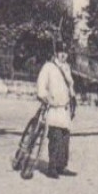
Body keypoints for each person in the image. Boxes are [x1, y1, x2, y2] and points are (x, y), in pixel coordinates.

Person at [35, 41, 77, 178]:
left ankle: (61, 166)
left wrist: (73, 95)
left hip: (65, 108)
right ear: (56, 53)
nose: (63, 55)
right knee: (55, 136)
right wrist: (43, 96)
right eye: (61, 53)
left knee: (65, 138)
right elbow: (41, 83)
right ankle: (52, 167)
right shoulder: (48, 67)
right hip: (54, 107)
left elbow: (70, 85)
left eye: (65, 53)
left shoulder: (66, 68)